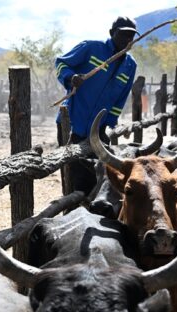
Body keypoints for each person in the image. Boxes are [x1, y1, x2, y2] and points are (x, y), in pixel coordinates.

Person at [54, 16, 138, 194]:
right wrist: (70, 77)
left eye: (131, 36)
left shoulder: (130, 65)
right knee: (74, 176)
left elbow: (120, 99)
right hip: (72, 123)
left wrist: (107, 124)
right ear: (111, 33)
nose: (127, 40)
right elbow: (61, 63)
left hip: (98, 129)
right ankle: (71, 210)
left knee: (96, 176)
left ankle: (88, 212)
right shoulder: (91, 47)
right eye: (123, 34)